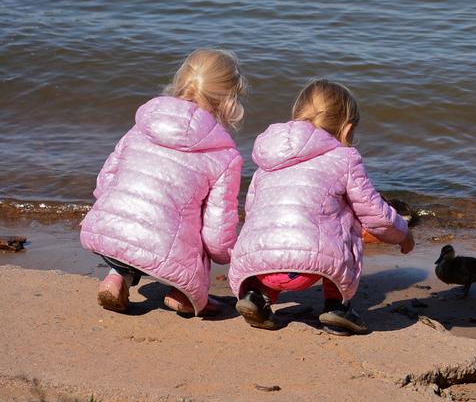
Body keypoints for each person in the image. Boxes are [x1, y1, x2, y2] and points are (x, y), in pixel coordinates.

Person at [228, 78, 413, 334]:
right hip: (311, 267)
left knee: (272, 223)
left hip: (258, 264)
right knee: (348, 218)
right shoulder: (345, 158)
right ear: (347, 131)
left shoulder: (265, 164)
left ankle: (257, 296)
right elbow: (374, 213)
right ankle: (337, 307)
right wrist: (403, 234)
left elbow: (251, 213)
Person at [80, 49, 246, 316]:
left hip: (110, 232)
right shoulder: (223, 155)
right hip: (168, 254)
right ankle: (185, 293)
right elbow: (216, 233)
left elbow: (105, 182)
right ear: (230, 101)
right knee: (197, 230)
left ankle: (115, 277)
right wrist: (225, 254)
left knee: (141, 216)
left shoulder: (142, 126)